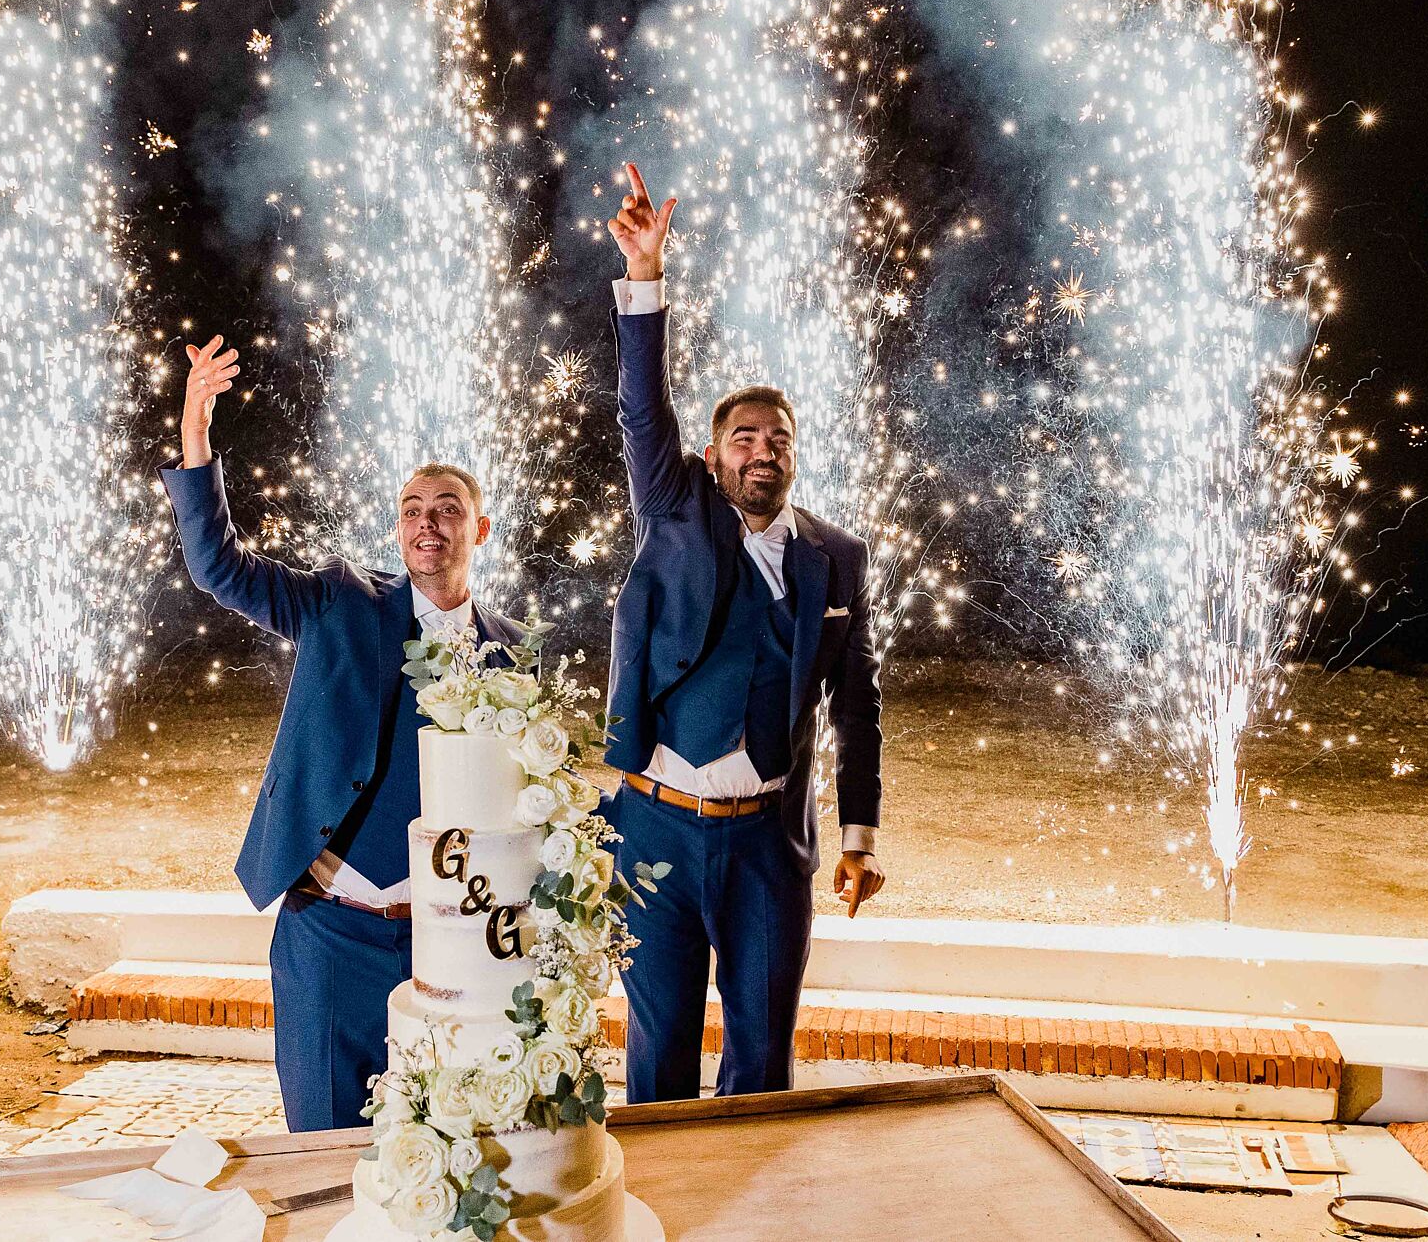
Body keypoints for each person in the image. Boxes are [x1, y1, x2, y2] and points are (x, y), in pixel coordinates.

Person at [159, 334, 526, 1131]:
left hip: (448, 943)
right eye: (412, 510)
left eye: (447, 509)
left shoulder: (515, 653)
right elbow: (219, 568)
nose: (427, 524)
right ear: (398, 529)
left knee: (443, 1147)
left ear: (481, 529)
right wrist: (196, 433)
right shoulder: (341, 600)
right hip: (331, 930)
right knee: (323, 1147)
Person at [601, 162, 887, 1103]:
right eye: (745, 438)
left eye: (779, 440)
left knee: (762, 1063)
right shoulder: (676, 507)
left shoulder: (838, 559)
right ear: (714, 454)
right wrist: (647, 275)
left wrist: (860, 836)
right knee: (659, 1054)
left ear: (795, 456)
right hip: (655, 827)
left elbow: (859, 709)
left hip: (769, 841)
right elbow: (642, 408)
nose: (763, 450)